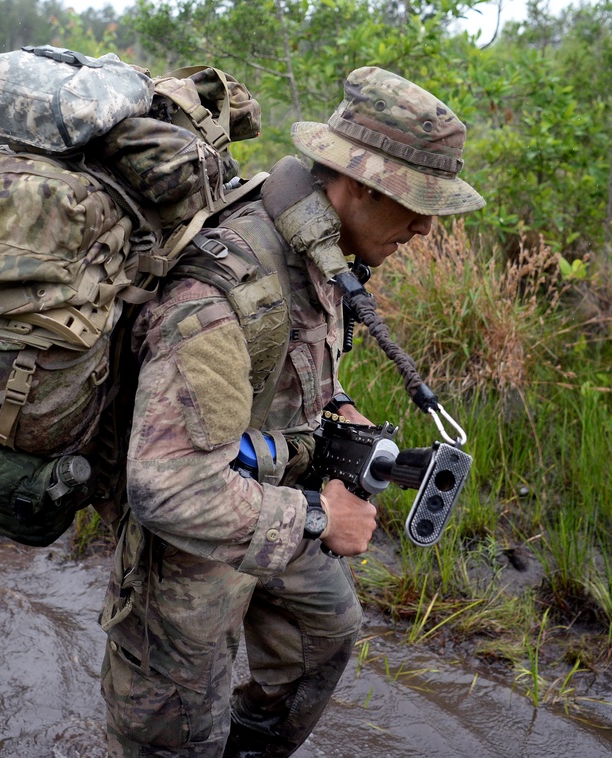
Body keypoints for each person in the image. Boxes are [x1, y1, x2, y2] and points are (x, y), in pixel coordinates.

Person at [98, 67, 485, 756]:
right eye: (416, 204)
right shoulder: (223, 286)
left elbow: (280, 362)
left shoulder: (320, 249)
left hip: (267, 496)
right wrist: (318, 516)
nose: (427, 227)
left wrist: (336, 404)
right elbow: (167, 488)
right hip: (192, 543)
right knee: (173, 732)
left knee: (326, 635)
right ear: (361, 186)